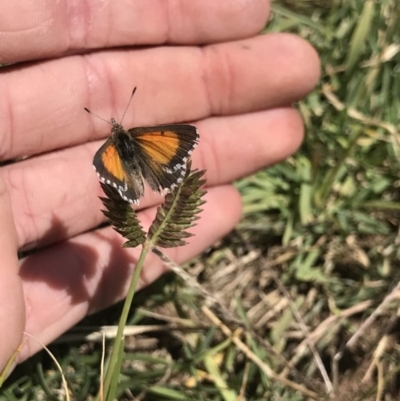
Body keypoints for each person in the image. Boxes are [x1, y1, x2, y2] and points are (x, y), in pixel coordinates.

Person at [0, 0, 320, 372]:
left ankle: (140, 182)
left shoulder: (112, 150)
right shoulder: (118, 149)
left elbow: (124, 159)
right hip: (144, 169)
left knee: (139, 174)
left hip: (138, 169)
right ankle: (141, 183)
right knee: (139, 176)